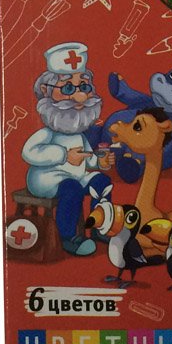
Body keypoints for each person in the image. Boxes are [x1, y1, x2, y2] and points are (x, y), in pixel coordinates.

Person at [21, 42, 114, 255]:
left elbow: (87, 158)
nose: (79, 97)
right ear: (46, 91)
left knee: (102, 182)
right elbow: (29, 152)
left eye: (84, 87)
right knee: (71, 188)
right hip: (47, 180)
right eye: (68, 88)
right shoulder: (48, 133)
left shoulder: (79, 134)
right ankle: (68, 237)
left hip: (75, 175)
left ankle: (100, 225)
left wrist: (98, 161)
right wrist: (63, 155)